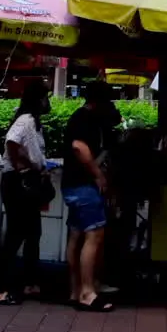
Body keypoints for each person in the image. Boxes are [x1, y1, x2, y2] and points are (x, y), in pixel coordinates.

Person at [0, 80, 51, 305]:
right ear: (38, 100)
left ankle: (30, 283)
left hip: (23, 178)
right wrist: (21, 165)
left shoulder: (32, 122)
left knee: (33, 233)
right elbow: (12, 142)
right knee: (16, 234)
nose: (47, 102)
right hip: (17, 181)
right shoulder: (26, 120)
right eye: (45, 97)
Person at [62, 82, 115, 312]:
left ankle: (75, 290)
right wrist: (97, 175)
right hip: (83, 185)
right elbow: (79, 147)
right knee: (94, 235)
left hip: (72, 185)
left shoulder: (81, 118)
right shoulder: (84, 120)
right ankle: (87, 292)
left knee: (76, 235)